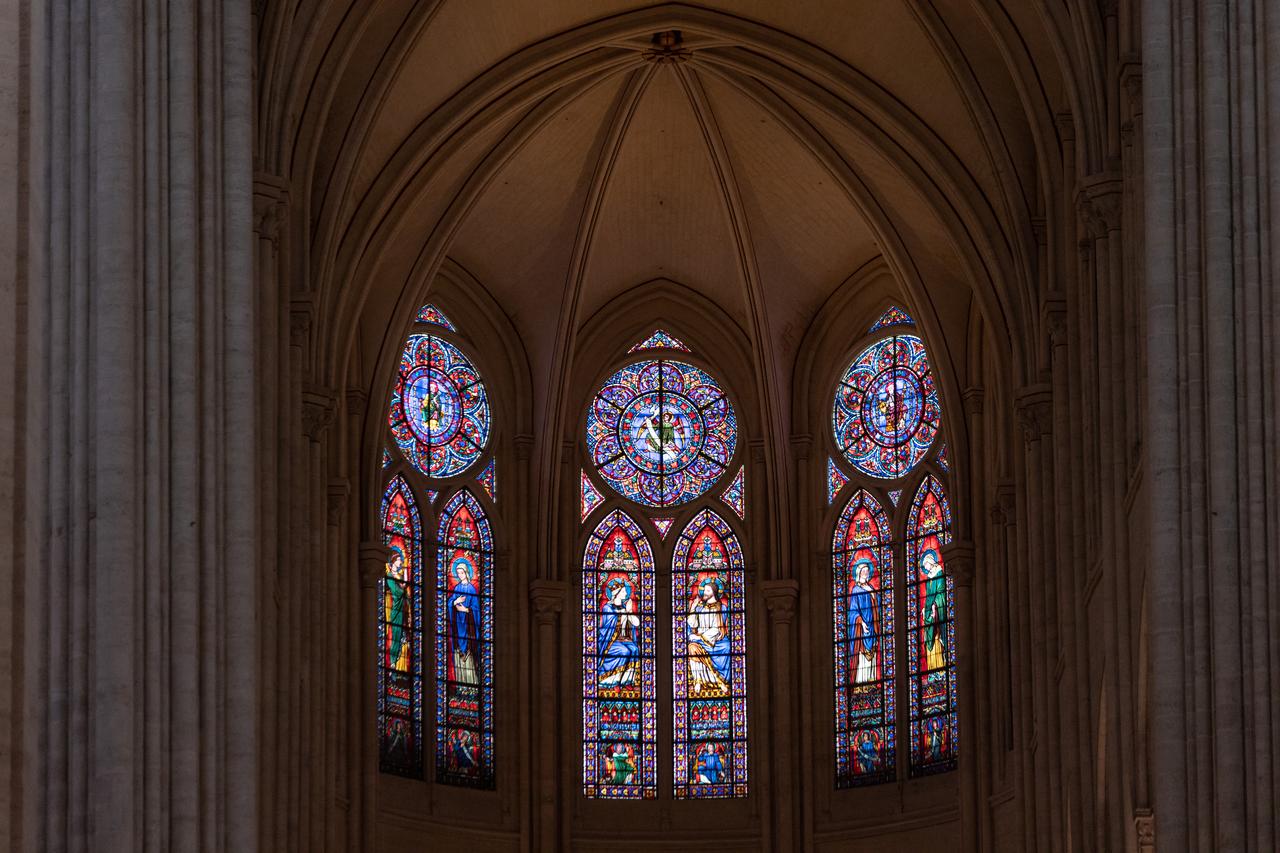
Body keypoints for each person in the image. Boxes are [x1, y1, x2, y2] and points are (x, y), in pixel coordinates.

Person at [687, 571, 732, 694]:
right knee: (692, 648)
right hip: (701, 641)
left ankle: (720, 681)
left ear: (714, 592)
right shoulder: (700, 607)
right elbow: (693, 624)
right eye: (704, 590)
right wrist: (693, 608)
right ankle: (698, 681)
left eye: (707, 591)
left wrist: (699, 637)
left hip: (716, 640)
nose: (704, 593)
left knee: (728, 646)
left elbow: (717, 629)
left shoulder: (722, 608)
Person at [597, 577, 640, 688]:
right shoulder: (607, 608)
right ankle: (613, 681)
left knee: (635, 649)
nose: (626, 593)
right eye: (624, 591)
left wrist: (629, 612)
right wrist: (625, 612)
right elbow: (610, 625)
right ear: (617, 593)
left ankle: (626, 681)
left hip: (624, 639)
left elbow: (636, 623)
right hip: (611, 641)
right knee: (624, 651)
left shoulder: (625, 607)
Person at [448, 556, 481, 684]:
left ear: (466, 573)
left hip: (468, 626)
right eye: (458, 573)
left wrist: (466, 610)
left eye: (461, 573)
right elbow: (451, 603)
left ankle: (471, 683)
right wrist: (456, 601)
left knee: (469, 655)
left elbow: (476, 609)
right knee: (458, 655)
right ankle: (460, 683)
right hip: (458, 625)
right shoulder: (457, 588)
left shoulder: (472, 589)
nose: (460, 575)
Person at [847, 557, 878, 683]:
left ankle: (872, 682)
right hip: (862, 628)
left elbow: (877, 606)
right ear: (858, 573)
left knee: (873, 656)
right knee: (862, 657)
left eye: (867, 571)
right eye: (863, 571)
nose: (866, 573)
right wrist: (861, 622)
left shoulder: (871, 588)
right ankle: (861, 684)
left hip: (872, 625)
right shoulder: (856, 590)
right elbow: (853, 612)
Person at [920, 548, 947, 671]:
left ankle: (940, 668)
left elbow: (941, 592)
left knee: (936, 636)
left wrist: (935, 605)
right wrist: (925, 608)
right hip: (929, 611)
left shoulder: (939, 574)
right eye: (924, 566)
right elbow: (928, 597)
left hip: (937, 610)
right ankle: (932, 670)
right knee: (928, 637)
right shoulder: (929, 578)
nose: (926, 567)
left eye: (926, 564)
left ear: (931, 562)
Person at [384, 548, 410, 671]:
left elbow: (403, 587)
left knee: (402, 635)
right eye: (399, 560)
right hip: (395, 609)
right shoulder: (389, 576)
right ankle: (393, 661)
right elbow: (397, 592)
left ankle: (400, 665)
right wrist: (403, 589)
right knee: (396, 635)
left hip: (403, 609)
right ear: (393, 561)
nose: (401, 562)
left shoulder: (398, 576)